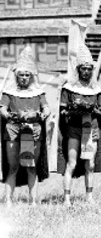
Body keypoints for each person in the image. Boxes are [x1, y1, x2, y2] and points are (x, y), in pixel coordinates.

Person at [0, 46, 50, 207]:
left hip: (33, 130)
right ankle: (8, 200)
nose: (24, 78)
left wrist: (43, 114)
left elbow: (46, 107)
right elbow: (2, 108)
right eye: (21, 75)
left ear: (31, 76)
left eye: (27, 75)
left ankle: (33, 200)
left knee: (31, 166)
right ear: (16, 76)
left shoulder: (38, 92)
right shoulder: (9, 92)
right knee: (13, 166)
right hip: (13, 129)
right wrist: (8, 115)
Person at [58, 44, 101, 206]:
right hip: (74, 129)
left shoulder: (96, 90)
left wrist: (91, 109)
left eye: (89, 69)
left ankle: (89, 197)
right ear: (78, 70)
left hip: (90, 128)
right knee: (71, 163)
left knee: (90, 164)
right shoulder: (69, 89)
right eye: (83, 68)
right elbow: (63, 111)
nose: (86, 71)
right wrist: (73, 110)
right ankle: (66, 198)